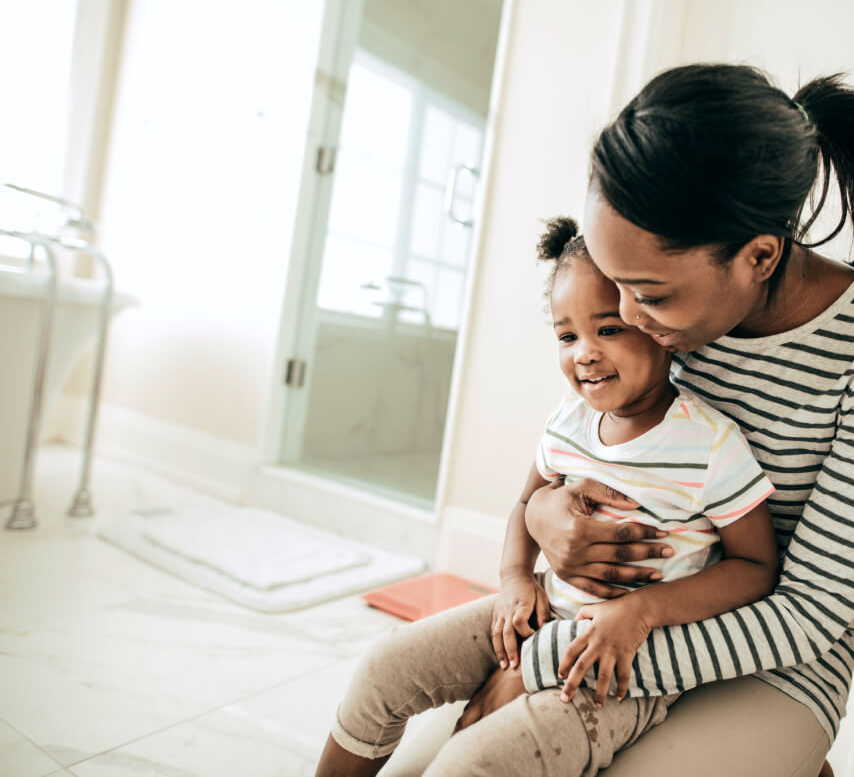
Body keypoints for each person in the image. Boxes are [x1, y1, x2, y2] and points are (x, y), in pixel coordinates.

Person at [462, 65, 854, 775]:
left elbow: (805, 614)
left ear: (759, 257)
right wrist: (543, 514)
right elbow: (577, 453)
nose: (625, 320)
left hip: (767, 662)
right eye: (616, 283)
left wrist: (540, 663)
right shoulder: (672, 320)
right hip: (593, 617)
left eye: (649, 296)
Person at [315, 216, 781, 777]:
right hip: (537, 611)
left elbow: (756, 567)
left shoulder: (709, 443)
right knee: (382, 667)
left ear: (656, 326)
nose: (584, 353)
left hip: (619, 666)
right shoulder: (568, 422)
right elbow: (523, 506)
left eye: (608, 329)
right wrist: (514, 579)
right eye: (567, 336)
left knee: (473, 761)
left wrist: (639, 612)